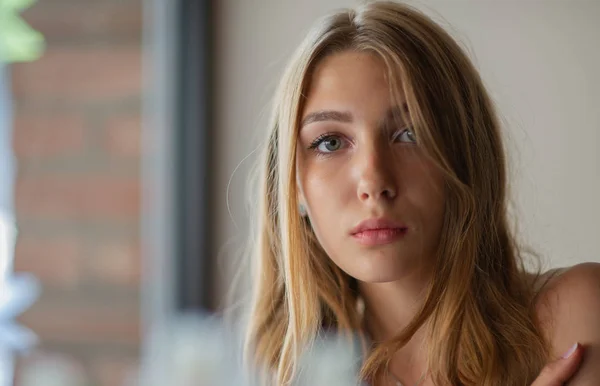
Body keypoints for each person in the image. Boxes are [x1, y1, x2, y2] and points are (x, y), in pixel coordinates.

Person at [242, 1, 600, 385]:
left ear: (465, 155)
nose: (374, 181)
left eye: (410, 134)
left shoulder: (574, 315)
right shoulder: (289, 373)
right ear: (293, 184)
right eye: (330, 142)